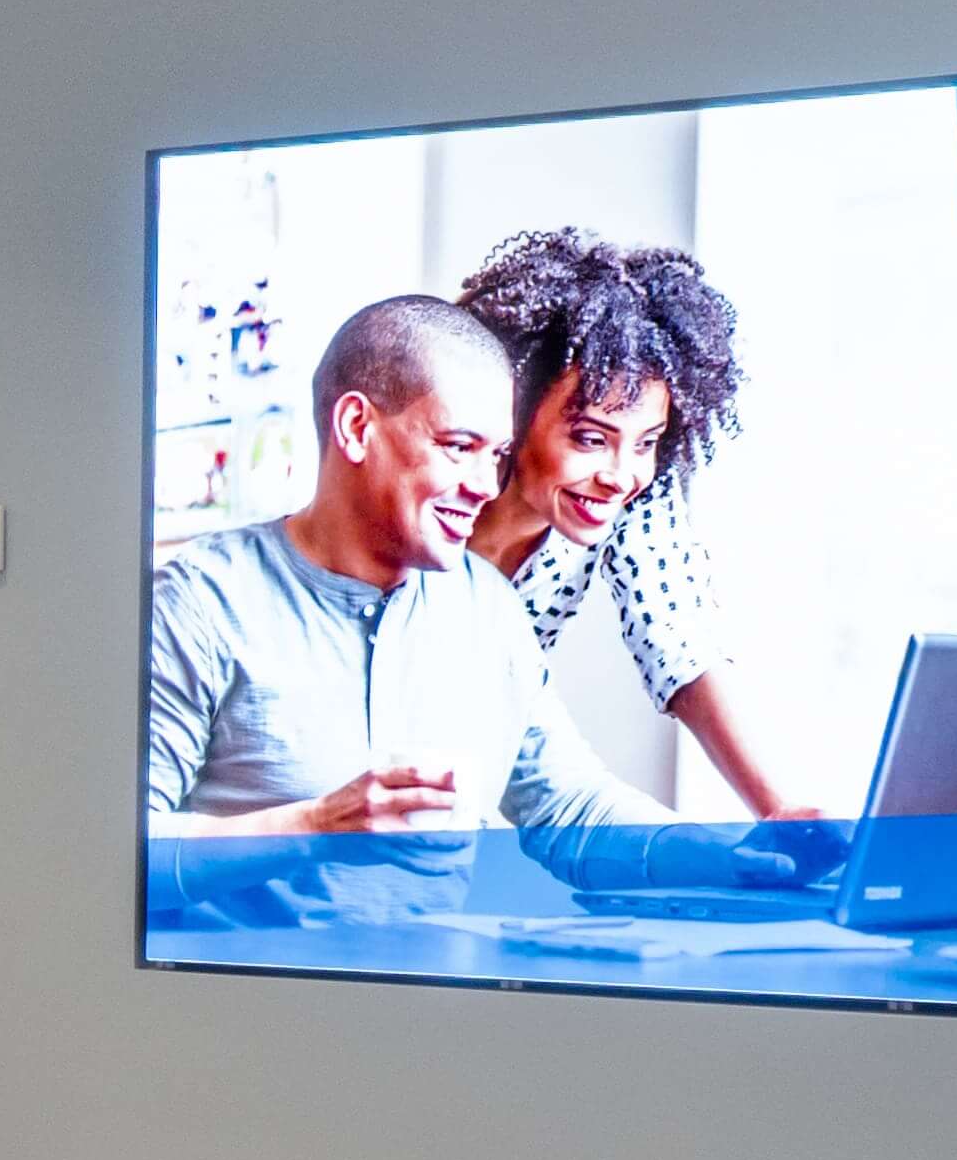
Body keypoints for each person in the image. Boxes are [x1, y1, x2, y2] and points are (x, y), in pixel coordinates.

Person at [140, 295, 694, 876]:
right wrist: (313, 827)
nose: (485, 486)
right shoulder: (200, 600)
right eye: (459, 448)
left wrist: (735, 853)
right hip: (235, 970)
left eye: (497, 455)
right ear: (357, 428)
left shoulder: (489, 608)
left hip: (433, 968)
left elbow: (573, 810)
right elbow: (107, 853)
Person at [447, 224, 816, 821]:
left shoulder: (625, 497)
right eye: (591, 438)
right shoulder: (434, 499)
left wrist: (782, 812)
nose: (621, 474)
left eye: (647, 441)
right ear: (512, 409)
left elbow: (680, 640)